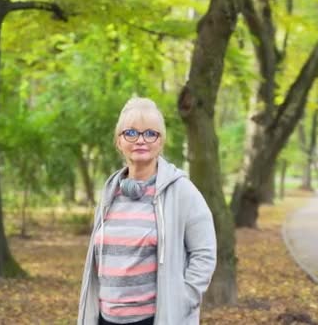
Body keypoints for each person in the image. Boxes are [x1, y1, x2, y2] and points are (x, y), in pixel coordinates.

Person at [77, 97, 217, 325]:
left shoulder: (181, 191)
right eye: (131, 133)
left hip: (154, 319)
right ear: (119, 142)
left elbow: (205, 254)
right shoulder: (110, 192)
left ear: (161, 142)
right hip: (105, 318)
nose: (141, 140)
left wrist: (182, 300)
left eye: (151, 133)